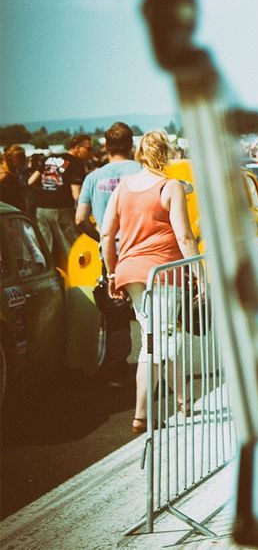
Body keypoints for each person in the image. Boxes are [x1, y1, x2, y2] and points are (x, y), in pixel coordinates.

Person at [99, 131, 200, 433]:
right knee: (156, 343)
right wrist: (199, 275)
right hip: (163, 272)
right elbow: (184, 236)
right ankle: (141, 415)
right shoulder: (170, 187)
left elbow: (106, 235)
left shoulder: (123, 189)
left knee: (159, 337)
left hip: (131, 272)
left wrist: (112, 271)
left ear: (140, 153)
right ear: (166, 154)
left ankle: (183, 400)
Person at [76, 122, 142, 383]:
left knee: (115, 312)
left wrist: (102, 240)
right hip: (140, 249)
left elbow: (80, 219)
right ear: (131, 145)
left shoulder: (93, 177)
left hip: (110, 255)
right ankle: (155, 365)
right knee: (149, 309)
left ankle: (116, 366)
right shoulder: (142, 172)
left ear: (105, 145)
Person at [34, 134, 92, 265]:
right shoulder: (76, 163)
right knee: (72, 249)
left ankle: (49, 278)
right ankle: (74, 280)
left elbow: (30, 181)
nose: (90, 152)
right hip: (62, 209)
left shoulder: (49, 158)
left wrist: (46, 191)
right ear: (77, 148)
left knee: (46, 249)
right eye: (88, 148)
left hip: (41, 208)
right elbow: (76, 194)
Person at [0, 145, 28, 210]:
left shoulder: (14, 172)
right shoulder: (5, 176)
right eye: (21, 157)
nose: (24, 159)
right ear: (11, 158)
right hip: (7, 212)